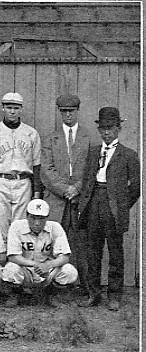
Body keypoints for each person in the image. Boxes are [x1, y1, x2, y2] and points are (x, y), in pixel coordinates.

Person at [76, 107, 139, 311]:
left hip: (114, 207)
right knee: (93, 251)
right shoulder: (94, 151)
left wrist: (121, 205)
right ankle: (93, 294)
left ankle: (114, 296)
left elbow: (136, 187)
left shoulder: (128, 155)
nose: (106, 132)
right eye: (102, 128)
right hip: (94, 202)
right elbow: (87, 180)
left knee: (115, 252)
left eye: (110, 128)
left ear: (118, 128)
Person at [40, 94, 95, 288]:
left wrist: (77, 188)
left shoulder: (88, 138)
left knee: (83, 243)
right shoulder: (50, 139)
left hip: (81, 199)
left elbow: (92, 167)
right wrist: (65, 190)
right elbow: (46, 171)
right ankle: (52, 288)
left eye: (71, 111)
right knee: (52, 242)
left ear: (77, 111)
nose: (68, 115)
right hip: (57, 199)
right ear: (60, 112)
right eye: (64, 111)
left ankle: (86, 287)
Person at [0, 93, 42, 241]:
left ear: (21, 109)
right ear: (3, 108)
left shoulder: (31, 133)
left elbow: (37, 166)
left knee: (20, 226)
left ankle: (16, 263)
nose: (12, 111)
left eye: (16, 108)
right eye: (9, 107)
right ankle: (0, 262)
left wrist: (37, 194)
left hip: (23, 182)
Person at [1, 199, 78, 308]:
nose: (37, 223)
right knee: (10, 269)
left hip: (47, 270)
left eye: (41, 218)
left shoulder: (55, 227)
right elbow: (13, 257)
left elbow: (65, 257)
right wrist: (35, 265)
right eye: (33, 218)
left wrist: (48, 265)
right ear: (27, 216)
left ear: (47, 218)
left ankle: (53, 295)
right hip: (25, 269)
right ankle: (17, 295)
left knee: (69, 271)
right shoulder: (16, 226)